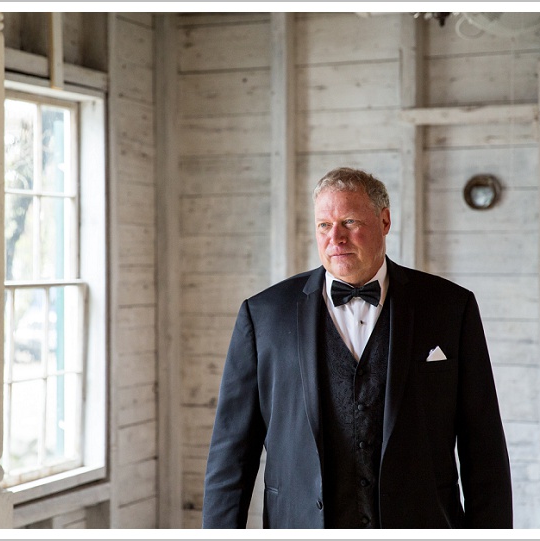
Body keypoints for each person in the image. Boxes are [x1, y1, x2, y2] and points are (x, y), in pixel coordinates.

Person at [201, 167, 512, 529]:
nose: (335, 238)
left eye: (349, 222)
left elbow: (484, 448)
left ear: (384, 221)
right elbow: (231, 455)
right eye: (323, 225)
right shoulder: (264, 315)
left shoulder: (450, 308)